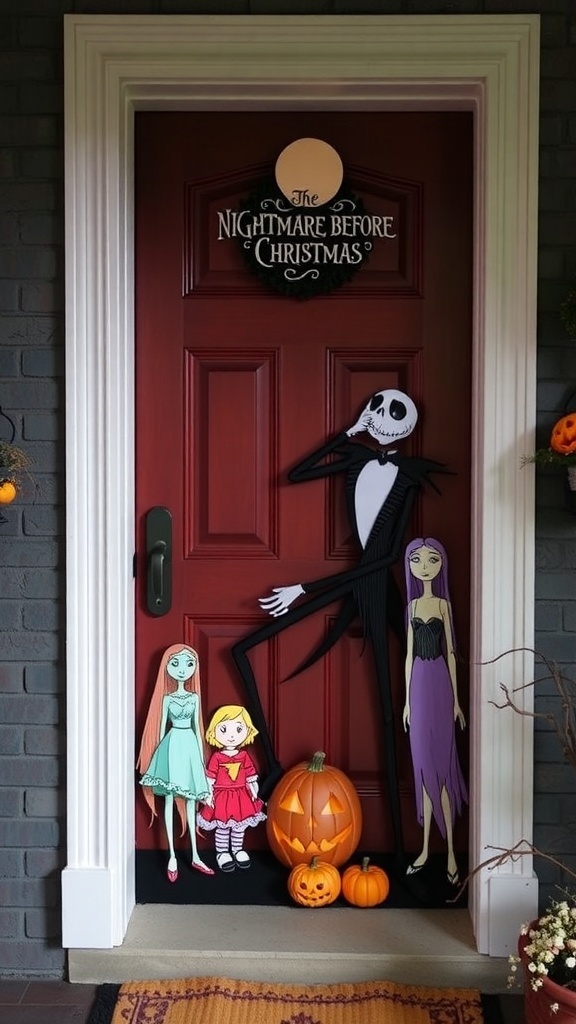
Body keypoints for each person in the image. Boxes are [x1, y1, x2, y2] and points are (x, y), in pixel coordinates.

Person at [403, 538, 468, 886]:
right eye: (416, 559)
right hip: (419, 686)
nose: (424, 565)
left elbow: (453, 652)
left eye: (431, 559)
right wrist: (407, 702)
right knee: (422, 768)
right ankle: (427, 848)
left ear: (440, 564)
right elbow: (409, 656)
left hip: (441, 681)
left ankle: (453, 853)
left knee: (443, 768)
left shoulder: (443, 605)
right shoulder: (412, 606)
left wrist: (457, 701)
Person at [137, 643, 214, 881]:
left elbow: (198, 729)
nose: (182, 669)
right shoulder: (167, 699)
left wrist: (201, 762)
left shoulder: (194, 698)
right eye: (176, 663)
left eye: (189, 664)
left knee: (191, 799)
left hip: (190, 745)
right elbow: (161, 731)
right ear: (167, 667)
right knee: (169, 799)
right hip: (171, 746)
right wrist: (158, 757)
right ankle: (172, 854)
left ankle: (195, 854)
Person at [197, 704, 266, 872]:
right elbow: (210, 778)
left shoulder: (244, 756)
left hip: (241, 796)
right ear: (214, 732)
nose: (231, 736)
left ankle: (237, 849)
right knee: (223, 826)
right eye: (224, 730)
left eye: (238, 729)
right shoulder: (217, 757)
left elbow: (250, 776)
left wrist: (254, 790)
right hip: (222, 797)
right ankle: (222, 853)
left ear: (247, 731)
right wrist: (207, 794)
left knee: (239, 826)